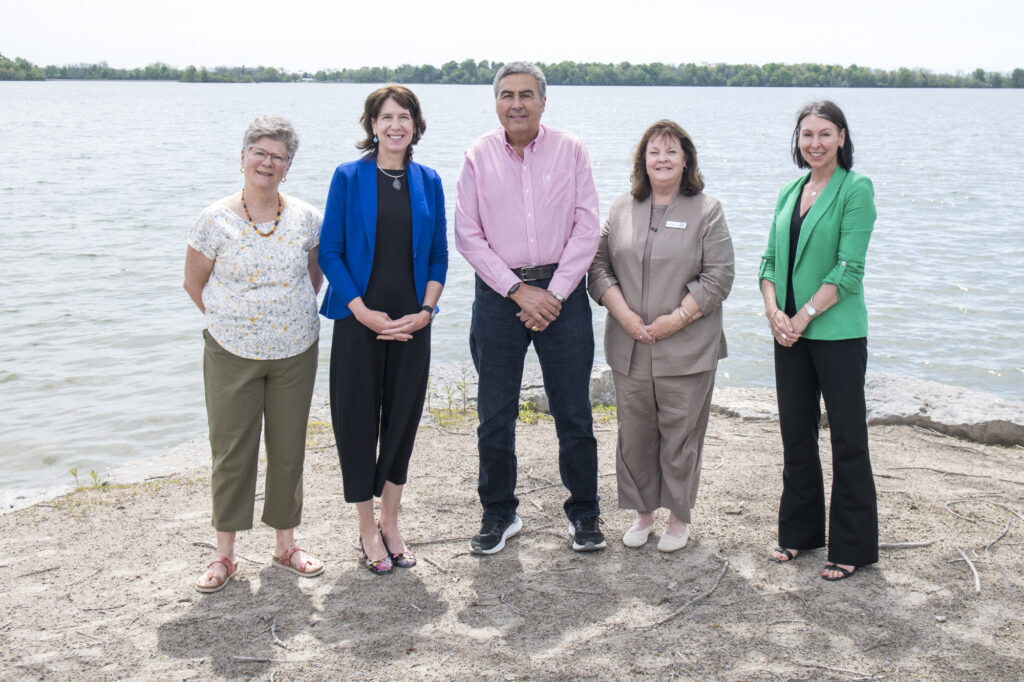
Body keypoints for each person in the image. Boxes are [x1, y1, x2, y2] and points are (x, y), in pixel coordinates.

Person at [455, 61, 604, 554]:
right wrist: (519, 292)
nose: (515, 103)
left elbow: (587, 229)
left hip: (563, 293)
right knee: (495, 414)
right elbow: (467, 236)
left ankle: (584, 513)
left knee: (574, 411)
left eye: (525, 94)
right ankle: (499, 513)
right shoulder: (477, 155)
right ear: (496, 102)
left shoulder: (571, 150)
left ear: (543, 100)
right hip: (500, 298)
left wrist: (555, 294)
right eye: (505, 95)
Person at [184, 114, 325, 593]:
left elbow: (314, 274)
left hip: (296, 351)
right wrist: (233, 321)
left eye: (278, 156)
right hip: (230, 352)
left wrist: (283, 318)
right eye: (259, 152)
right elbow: (193, 282)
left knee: (288, 449)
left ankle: (286, 544)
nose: (267, 162)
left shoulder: (306, 217)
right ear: (243, 157)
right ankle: (225, 555)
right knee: (231, 453)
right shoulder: (214, 218)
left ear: (288, 167)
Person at [319, 85, 447, 575]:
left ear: (415, 125)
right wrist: (363, 311)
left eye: (405, 116)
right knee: (356, 423)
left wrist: (427, 312)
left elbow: (438, 254)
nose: (396, 125)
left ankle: (392, 522)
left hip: (414, 322)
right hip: (359, 322)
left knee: (401, 423)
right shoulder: (348, 177)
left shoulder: (428, 180)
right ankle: (367, 527)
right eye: (386, 116)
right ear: (371, 125)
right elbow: (330, 250)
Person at [589, 120, 734, 552]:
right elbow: (597, 268)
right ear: (642, 160)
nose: (663, 159)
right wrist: (625, 315)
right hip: (629, 345)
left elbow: (720, 276)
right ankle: (643, 513)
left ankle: (679, 517)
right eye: (654, 151)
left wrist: (677, 318)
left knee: (681, 435)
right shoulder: (620, 208)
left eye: (672, 151)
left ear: (686, 159)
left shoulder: (707, 210)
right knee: (634, 434)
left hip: (686, 348)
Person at [759, 100, 878, 581]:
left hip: (836, 332)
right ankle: (800, 534)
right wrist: (773, 312)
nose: (815, 143)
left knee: (848, 440)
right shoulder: (790, 189)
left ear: (842, 137)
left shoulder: (857, 189)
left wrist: (804, 315)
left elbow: (849, 269)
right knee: (796, 435)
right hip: (788, 333)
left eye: (825, 134)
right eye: (807, 134)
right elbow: (768, 261)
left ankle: (851, 547)